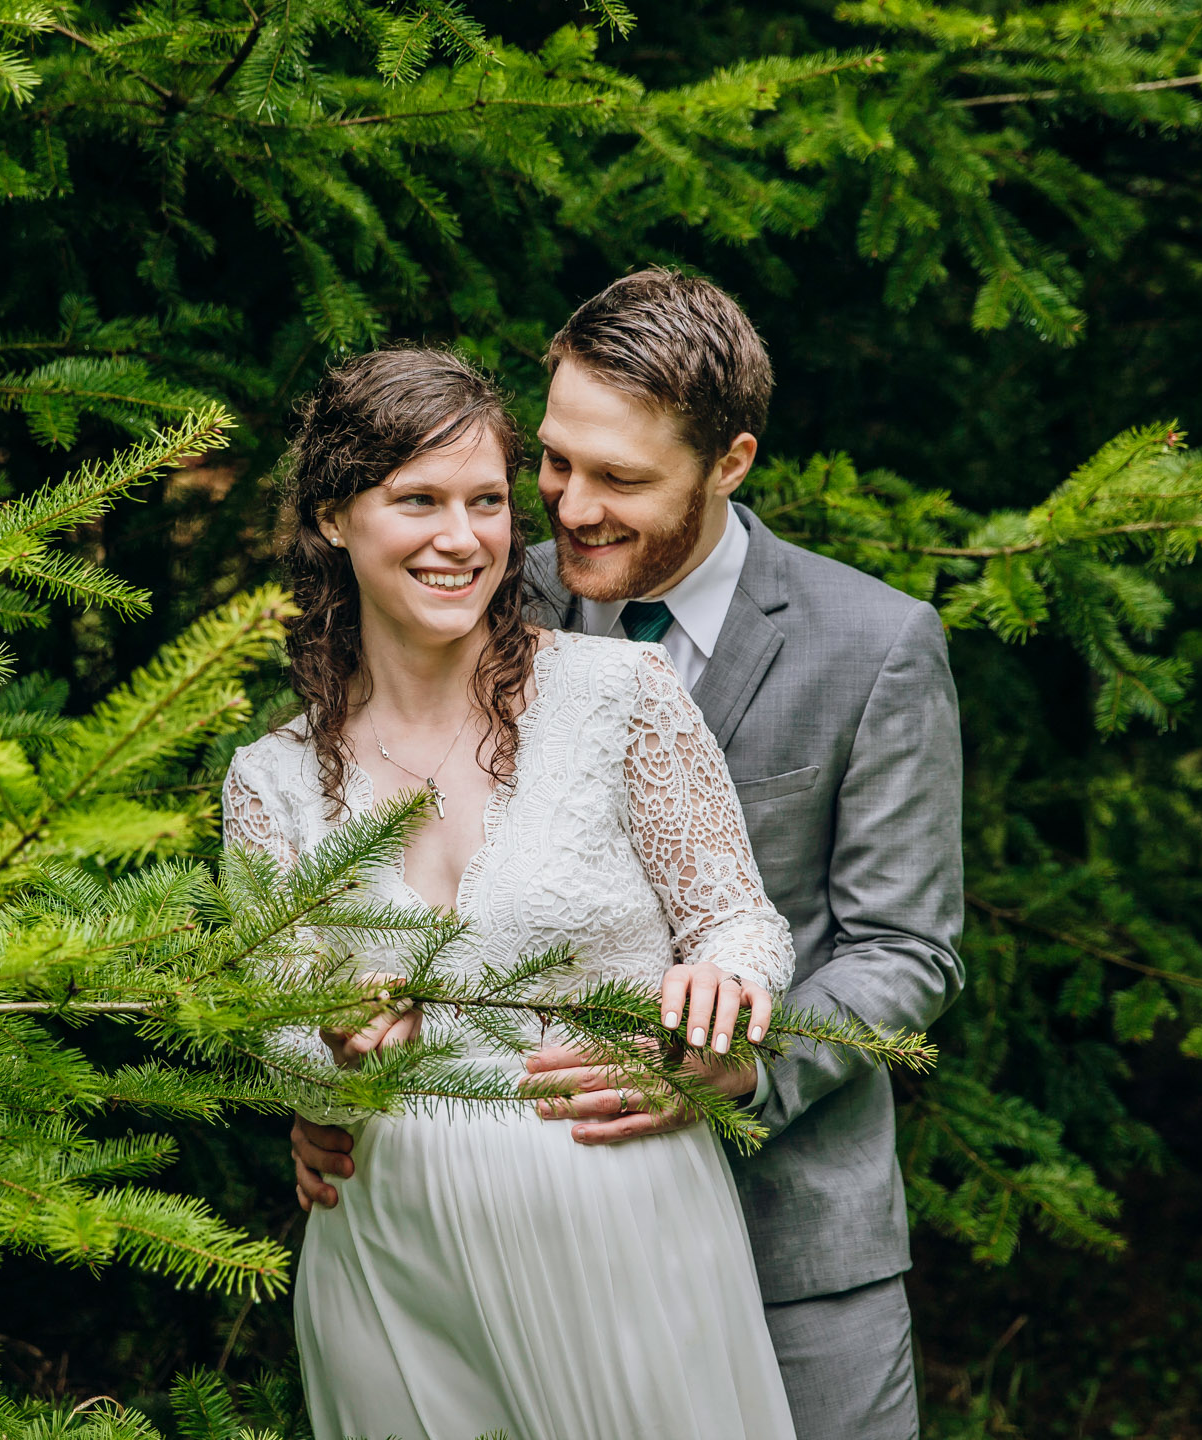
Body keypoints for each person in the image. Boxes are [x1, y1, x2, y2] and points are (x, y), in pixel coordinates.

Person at [292, 271, 966, 1440]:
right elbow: (352, 864)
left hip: (796, 1235)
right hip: (513, 1255)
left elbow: (906, 949)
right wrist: (329, 1075)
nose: (571, 507)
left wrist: (741, 1069)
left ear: (731, 463)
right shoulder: (478, 589)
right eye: (556, 463)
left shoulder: (875, 644)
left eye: (622, 480)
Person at [223, 346, 800, 1440]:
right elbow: (272, 1042)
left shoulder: (622, 695)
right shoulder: (273, 782)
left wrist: (724, 982)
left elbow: (737, 914)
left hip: (618, 1213)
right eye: (419, 501)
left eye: (487, 501)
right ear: (337, 519)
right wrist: (336, 1048)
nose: (462, 537)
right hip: (390, 1243)